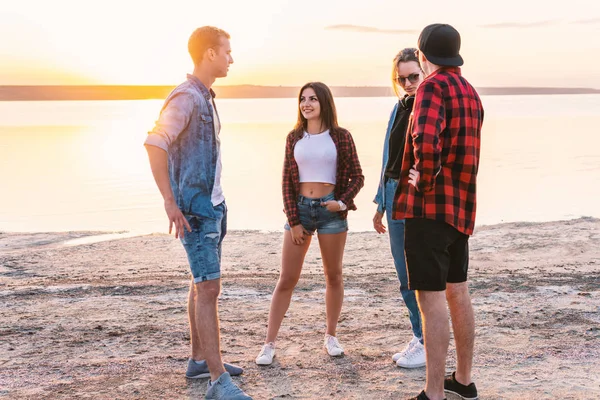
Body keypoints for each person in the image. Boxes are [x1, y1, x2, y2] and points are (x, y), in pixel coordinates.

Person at [144, 26, 251, 400]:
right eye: (226, 51)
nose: (231, 58)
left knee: (199, 282)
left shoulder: (205, 95)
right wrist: (170, 202)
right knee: (208, 288)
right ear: (209, 54)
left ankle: (200, 359)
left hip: (214, 205)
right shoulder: (186, 97)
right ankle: (218, 381)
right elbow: (155, 142)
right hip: (196, 211)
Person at [392, 24, 484, 400]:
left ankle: (433, 393)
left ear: (424, 56)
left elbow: (424, 140)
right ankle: (463, 381)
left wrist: (422, 180)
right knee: (457, 293)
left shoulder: (432, 87)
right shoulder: (471, 93)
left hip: (429, 211)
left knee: (430, 300)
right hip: (461, 210)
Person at [255, 82, 364, 366]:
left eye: (313, 99)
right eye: (303, 99)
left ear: (324, 103)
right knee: (287, 279)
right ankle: (269, 343)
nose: (307, 104)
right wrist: (293, 221)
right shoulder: (294, 138)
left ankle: (331, 336)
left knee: (333, 276)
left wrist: (341, 202)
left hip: (331, 212)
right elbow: (286, 183)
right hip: (301, 211)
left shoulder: (341, 137)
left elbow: (357, 176)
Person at [372, 47, 425, 369]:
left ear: (425, 71)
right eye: (401, 78)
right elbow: (387, 159)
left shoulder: (429, 108)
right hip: (393, 195)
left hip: (416, 197)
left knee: (418, 274)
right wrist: (380, 202)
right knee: (403, 275)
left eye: (413, 76)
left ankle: (425, 339)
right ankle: (420, 335)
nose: (407, 83)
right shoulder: (399, 107)